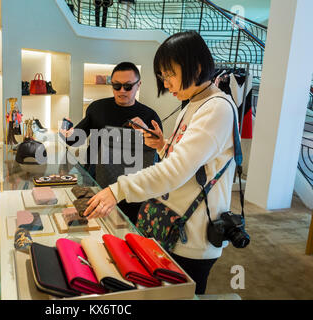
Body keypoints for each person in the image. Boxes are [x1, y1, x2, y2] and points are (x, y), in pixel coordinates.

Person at [83, 31, 239, 295]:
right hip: (174, 225)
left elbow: (175, 171)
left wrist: (117, 189)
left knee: (182, 293)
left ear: (197, 67)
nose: (166, 84)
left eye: (170, 75)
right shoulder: (192, 104)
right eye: (163, 77)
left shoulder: (217, 109)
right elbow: (190, 161)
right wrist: (162, 145)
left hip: (194, 233)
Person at [60, 62, 162, 225]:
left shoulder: (149, 116)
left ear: (138, 85)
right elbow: (76, 138)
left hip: (132, 190)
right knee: (97, 229)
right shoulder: (97, 108)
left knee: (126, 231)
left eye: (128, 86)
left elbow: (158, 154)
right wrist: (65, 133)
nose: (122, 91)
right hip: (97, 184)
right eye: (116, 85)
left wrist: (145, 132)